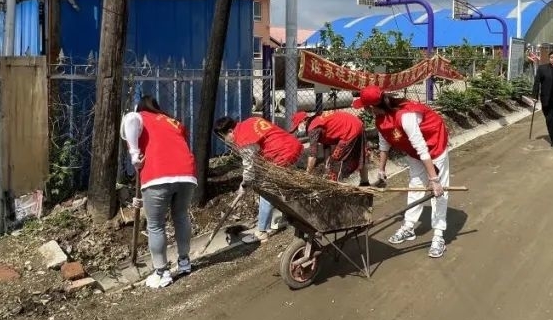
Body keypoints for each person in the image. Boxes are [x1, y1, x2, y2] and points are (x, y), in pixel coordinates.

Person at [352, 85, 450, 259]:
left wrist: (434, 180)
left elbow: (422, 148)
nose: (365, 110)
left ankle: (438, 235)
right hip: (413, 150)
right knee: (416, 184)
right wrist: (381, 169)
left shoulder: (406, 116)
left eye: (365, 107)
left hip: (433, 144)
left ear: (371, 106)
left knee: (439, 191)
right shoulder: (380, 118)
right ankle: (409, 226)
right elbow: (384, 143)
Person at [120, 96, 197, 290]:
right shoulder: (172, 121)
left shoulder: (139, 116)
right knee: (180, 216)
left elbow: (130, 120)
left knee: (155, 225)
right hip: (186, 174)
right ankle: (184, 262)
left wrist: (134, 154)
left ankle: (162, 273)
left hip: (158, 174)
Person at [214, 115, 303, 243]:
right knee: (282, 186)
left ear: (230, 131)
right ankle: (287, 218)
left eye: (224, 137)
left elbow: (249, 167)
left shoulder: (243, 138)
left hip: (282, 153)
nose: (226, 141)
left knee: (266, 190)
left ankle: (262, 231)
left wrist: (244, 185)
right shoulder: (249, 121)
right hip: (291, 145)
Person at [290, 110, 370, 185]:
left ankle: (334, 185)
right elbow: (327, 145)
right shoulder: (317, 120)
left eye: (298, 125)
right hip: (356, 123)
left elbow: (312, 154)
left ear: (304, 120)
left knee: (335, 161)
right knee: (360, 155)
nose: (297, 129)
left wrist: (307, 174)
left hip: (349, 129)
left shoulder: (313, 128)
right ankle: (365, 182)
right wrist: (326, 166)